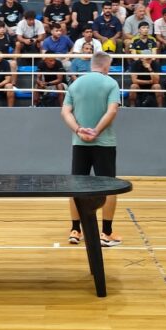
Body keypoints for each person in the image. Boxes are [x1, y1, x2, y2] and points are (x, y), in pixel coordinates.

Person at [60, 51, 122, 247]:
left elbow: (65, 112)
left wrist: (79, 130)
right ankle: (106, 233)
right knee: (110, 187)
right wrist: (96, 131)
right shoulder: (111, 83)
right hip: (104, 143)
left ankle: (75, 230)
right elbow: (112, 110)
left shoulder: (75, 84)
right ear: (106, 65)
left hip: (80, 144)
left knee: (76, 186)